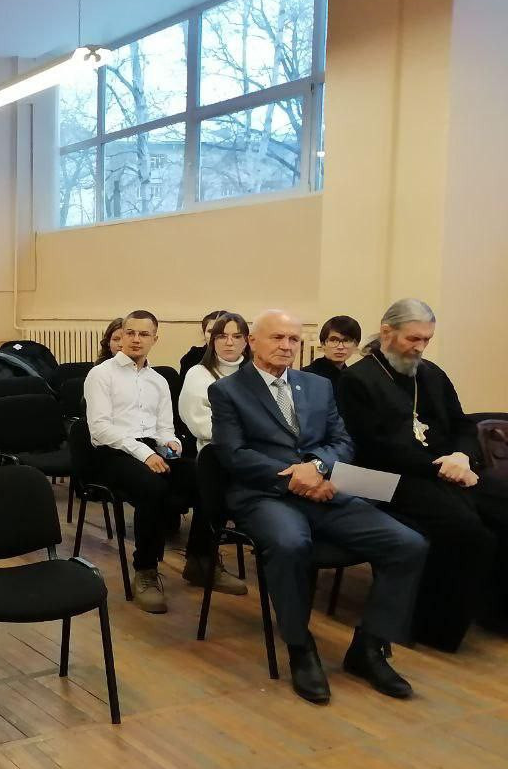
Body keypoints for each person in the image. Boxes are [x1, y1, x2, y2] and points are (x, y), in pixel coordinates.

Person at [210, 309, 427, 704]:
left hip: (325, 488)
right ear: (252, 341)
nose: (286, 346)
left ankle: (368, 648)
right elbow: (233, 455)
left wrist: (317, 468)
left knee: (408, 544)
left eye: (293, 339)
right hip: (266, 494)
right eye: (277, 337)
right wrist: (295, 477)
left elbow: (342, 442)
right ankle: (300, 647)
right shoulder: (228, 390)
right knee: (291, 544)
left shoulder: (317, 385)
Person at [339, 299, 508, 649]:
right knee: (467, 529)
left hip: (443, 470)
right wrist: (442, 467)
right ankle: (433, 627)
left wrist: (462, 456)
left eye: (426, 340)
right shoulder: (357, 380)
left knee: (502, 506)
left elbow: (463, 424)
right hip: (380, 477)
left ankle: (495, 614)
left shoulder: (431, 374)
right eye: (412, 338)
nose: (419, 347)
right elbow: (374, 447)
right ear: (387, 332)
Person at [84, 310, 237, 612]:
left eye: (144, 334)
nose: (136, 339)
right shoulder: (101, 375)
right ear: (121, 336)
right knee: (152, 487)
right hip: (112, 453)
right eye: (130, 333)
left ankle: (200, 560)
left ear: (155, 339)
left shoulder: (158, 380)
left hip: (151, 450)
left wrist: (171, 443)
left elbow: (165, 427)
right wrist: (146, 454)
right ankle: (145, 570)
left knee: (208, 476)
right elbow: (100, 429)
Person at [178, 312, 250, 448]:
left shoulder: (256, 374)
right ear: (213, 341)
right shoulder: (197, 374)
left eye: (237, 336)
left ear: (246, 341)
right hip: (216, 448)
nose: (229, 342)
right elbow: (201, 426)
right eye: (222, 336)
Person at [304, 315, 361, 396]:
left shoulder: (352, 377)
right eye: (334, 340)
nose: (340, 347)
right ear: (323, 344)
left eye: (346, 340)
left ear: (356, 345)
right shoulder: (308, 375)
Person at [178, 310, 228, 380]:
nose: (215, 336)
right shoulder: (193, 357)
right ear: (204, 333)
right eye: (210, 331)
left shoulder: (242, 359)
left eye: (221, 331)